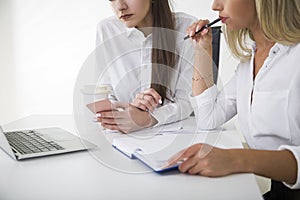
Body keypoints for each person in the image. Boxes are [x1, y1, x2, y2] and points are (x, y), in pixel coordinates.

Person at [166, 0, 300, 199]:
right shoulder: (250, 62)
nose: (215, 6)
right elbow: (208, 118)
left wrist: (236, 159)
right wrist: (202, 50)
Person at [95, 0, 196, 133]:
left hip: (175, 136)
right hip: (123, 138)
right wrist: (128, 111)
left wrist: (147, 118)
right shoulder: (107, 30)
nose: (120, 7)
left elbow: (187, 101)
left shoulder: (187, 27)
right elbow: (105, 94)